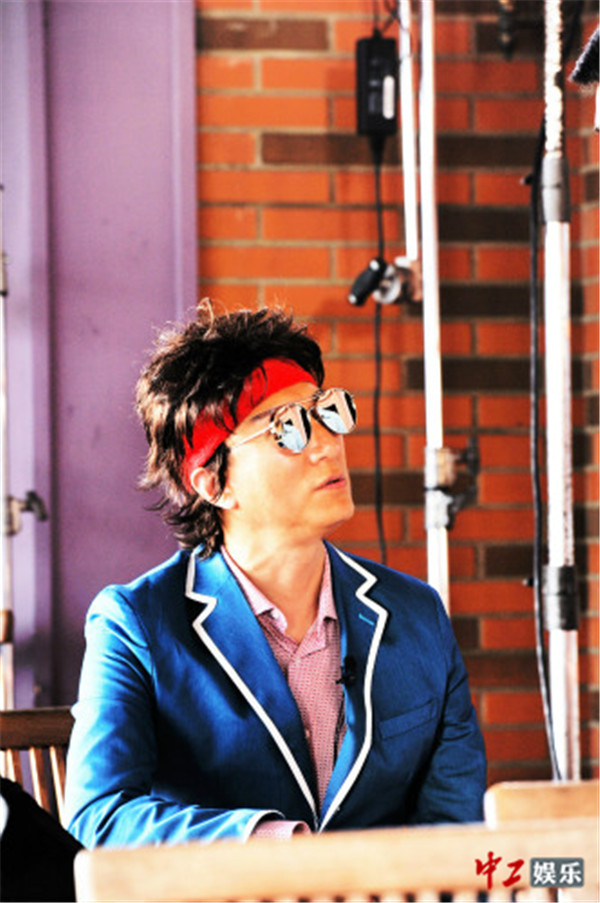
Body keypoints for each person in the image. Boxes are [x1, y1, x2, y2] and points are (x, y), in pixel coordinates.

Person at [64, 302, 486, 848]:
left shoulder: (416, 614)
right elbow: (100, 816)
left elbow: (456, 827)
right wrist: (274, 845)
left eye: (326, 413)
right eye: (287, 429)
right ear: (213, 484)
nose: (327, 444)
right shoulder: (137, 624)